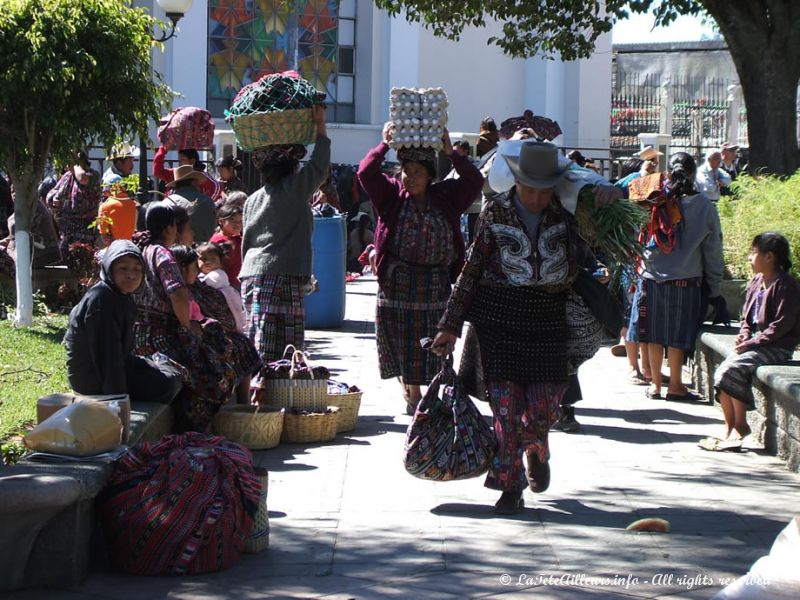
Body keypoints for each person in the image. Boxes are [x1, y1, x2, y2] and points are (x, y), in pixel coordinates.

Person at [432, 141, 592, 515]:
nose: (536, 197)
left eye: (543, 189)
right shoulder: (495, 214)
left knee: (540, 409)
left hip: (548, 323)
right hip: (499, 323)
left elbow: (595, 244)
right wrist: (450, 324)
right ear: (516, 183)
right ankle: (509, 486)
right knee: (505, 412)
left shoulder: (568, 215)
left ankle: (537, 447)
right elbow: (470, 271)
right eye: (529, 188)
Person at [358, 122, 483, 415]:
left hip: (435, 282)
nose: (410, 178)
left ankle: (434, 390)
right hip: (398, 281)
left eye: (418, 173)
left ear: (430, 176)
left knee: (435, 337)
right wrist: (384, 145)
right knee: (404, 340)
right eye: (406, 172)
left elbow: (475, 181)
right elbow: (365, 172)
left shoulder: (446, 197)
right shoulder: (390, 196)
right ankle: (413, 393)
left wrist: (451, 153)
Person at [628, 152, 727, 402]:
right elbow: (713, 250)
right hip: (685, 280)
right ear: (693, 174)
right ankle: (675, 385)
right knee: (676, 333)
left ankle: (655, 386)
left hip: (650, 277)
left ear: (669, 172)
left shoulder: (652, 199)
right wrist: (714, 289)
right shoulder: (704, 206)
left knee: (652, 332)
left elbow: (635, 235)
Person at [132, 201, 238, 431]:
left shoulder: (142, 250)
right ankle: (194, 432)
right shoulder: (162, 254)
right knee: (216, 369)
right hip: (160, 339)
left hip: (141, 335)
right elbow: (178, 292)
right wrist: (187, 325)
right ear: (170, 229)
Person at [240, 105, 330, 363]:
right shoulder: (294, 189)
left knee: (258, 341)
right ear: (291, 168)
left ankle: (258, 393)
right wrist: (320, 125)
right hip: (282, 276)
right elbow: (319, 165)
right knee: (285, 351)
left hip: (250, 276)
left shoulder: (252, 200)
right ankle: (277, 397)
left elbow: (246, 243)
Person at [703, 233, 800, 450]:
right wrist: (744, 334)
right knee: (721, 373)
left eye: (754, 252)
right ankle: (729, 426)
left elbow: (781, 325)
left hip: (777, 346)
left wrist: (753, 342)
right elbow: (747, 315)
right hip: (755, 343)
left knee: (733, 370)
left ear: (769, 257)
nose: (749, 257)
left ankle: (741, 426)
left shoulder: (786, 285)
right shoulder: (757, 281)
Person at [64, 239, 182, 404]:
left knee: (168, 372)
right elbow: (107, 356)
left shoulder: (121, 296)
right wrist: (117, 401)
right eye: (123, 268)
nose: (131, 275)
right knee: (167, 384)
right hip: (94, 380)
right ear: (109, 269)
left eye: (137, 269)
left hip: (117, 364)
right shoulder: (102, 301)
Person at [46, 153, 101, 254]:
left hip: (83, 235)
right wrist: (54, 199)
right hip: (64, 233)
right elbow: (51, 194)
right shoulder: (67, 176)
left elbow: (83, 179)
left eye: (71, 161)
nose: (67, 165)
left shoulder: (92, 175)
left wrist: (76, 164)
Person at [197, 241, 246, 332]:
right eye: (203, 259)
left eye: (213, 259)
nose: (207, 262)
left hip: (228, 310)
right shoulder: (201, 275)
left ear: (220, 262)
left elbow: (205, 284)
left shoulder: (219, 274)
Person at [165, 165, 217, 243]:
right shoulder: (207, 201)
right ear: (194, 182)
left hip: (173, 251)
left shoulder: (167, 202)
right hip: (204, 250)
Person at [153, 146, 223, 203]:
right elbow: (158, 171)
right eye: (179, 160)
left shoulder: (201, 176)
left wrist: (204, 204)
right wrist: (163, 149)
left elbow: (216, 187)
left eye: (182, 160)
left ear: (192, 161)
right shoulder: (176, 173)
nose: (180, 163)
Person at [210, 202, 244, 288]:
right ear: (221, 221)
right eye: (232, 220)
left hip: (238, 284)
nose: (237, 224)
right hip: (224, 286)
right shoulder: (217, 241)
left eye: (240, 221)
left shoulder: (239, 239)